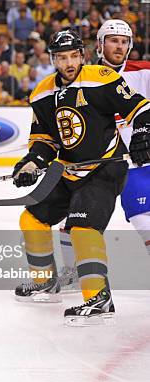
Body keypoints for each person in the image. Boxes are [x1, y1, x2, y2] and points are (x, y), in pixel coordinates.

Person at [12, 29, 149, 326]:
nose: (69, 62)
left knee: (82, 226)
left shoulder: (101, 77)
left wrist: (142, 133)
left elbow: (140, 108)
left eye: (74, 55)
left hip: (105, 168)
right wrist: (31, 162)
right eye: (62, 58)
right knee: (31, 219)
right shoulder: (43, 93)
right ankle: (45, 281)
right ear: (53, 59)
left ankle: (99, 298)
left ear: (83, 55)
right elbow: (44, 140)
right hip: (68, 169)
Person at [57, 20, 150, 291]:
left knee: (143, 217)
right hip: (96, 165)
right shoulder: (82, 75)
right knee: (74, 221)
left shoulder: (142, 73)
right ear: (100, 44)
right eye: (113, 40)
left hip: (135, 164)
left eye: (124, 42)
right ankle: (74, 272)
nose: (119, 46)